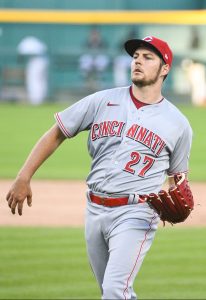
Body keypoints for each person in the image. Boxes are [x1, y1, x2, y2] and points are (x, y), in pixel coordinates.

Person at [6, 36, 194, 299]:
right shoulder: (102, 101)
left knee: (115, 290)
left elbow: (178, 176)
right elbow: (56, 132)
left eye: (148, 57)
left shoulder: (178, 123)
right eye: (136, 56)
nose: (138, 60)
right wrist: (23, 177)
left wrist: (177, 195)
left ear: (165, 69)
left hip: (136, 213)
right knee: (112, 290)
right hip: (94, 208)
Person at [17, 36, 49, 105]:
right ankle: (38, 99)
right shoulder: (36, 46)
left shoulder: (34, 47)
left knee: (35, 81)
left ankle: (36, 99)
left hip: (38, 61)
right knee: (39, 81)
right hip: (41, 60)